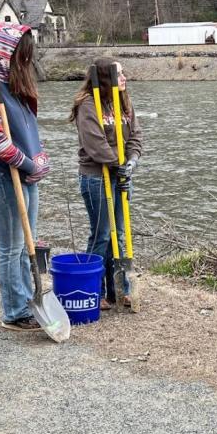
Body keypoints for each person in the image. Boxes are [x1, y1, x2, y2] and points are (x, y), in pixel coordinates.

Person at [0, 23, 50, 330]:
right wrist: (30, 165)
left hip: (26, 176)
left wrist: (40, 159)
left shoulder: (15, 85)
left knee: (25, 244)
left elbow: (27, 132)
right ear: (8, 53)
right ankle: (15, 311)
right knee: (12, 247)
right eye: (24, 55)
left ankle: (29, 301)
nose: (28, 62)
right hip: (3, 177)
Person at [69, 58, 143, 310]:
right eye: (119, 74)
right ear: (105, 77)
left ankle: (119, 290)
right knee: (101, 234)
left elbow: (135, 136)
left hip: (121, 174)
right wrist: (116, 164)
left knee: (120, 234)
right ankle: (94, 289)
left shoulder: (123, 102)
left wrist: (131, 163)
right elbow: (95, 144)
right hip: (96, 176)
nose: (124, 78)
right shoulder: (88, 105)